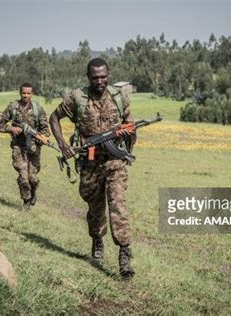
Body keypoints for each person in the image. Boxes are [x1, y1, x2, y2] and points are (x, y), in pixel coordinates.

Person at [49, 58, 136, 279]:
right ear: (88, 77)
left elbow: (131, 127)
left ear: (109, 75)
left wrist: (127, 140)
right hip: (89, 164)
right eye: (95, 77)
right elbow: (54, 117)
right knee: (95, 209)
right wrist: (63, 145)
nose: (100, 81)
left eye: (103, 76)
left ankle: (125, 255)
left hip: (114, 163)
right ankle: (97, 241)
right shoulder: (77, 98)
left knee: (118, 206)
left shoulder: (119, 98)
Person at [0, 83, 50, 211]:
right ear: (20, 93)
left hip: (33, 148)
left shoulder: (38, 109)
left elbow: (45, 129)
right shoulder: (13, 107)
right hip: (18, 147)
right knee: (24, 177)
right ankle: (26, 200)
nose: (26, 95)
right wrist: (11, 128)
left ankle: (34, 192)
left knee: (33, 178)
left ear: (32, 93)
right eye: (23, 93)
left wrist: (41, 137)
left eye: (28, 93)